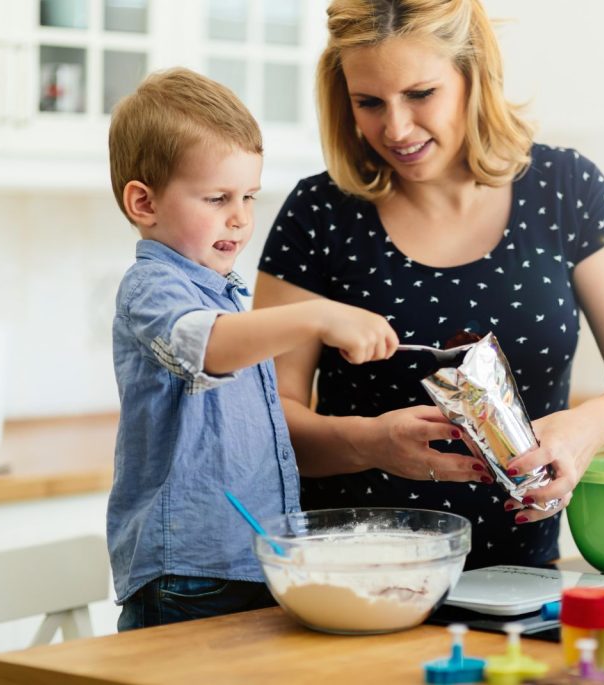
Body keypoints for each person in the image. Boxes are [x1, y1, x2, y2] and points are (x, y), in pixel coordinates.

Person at [254, 0, 604, 570]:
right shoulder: (319, 214)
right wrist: (368, 442)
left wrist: (585, 431)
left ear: (472, 75)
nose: (396, 128)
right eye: (369, 103)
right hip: (352, 579)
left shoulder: (567, 190)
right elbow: (267, 417)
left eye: (421, 94)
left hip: (523, 581)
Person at [106, 67, 398, 630]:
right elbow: (207, 345)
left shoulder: (223, 296)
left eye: (248, 196)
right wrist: (317, 315)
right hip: (189, 578)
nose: (240, 218)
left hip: (247, 565)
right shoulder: (152, 288)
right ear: (144, 203)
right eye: (217, 197)